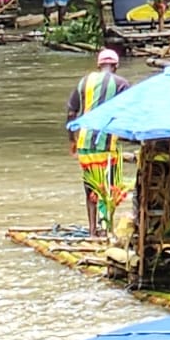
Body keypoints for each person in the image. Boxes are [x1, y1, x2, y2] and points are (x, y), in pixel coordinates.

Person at [67, 48, 129, 238]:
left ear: (98, 65)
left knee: (90, 187)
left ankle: (93, 231)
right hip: (108, 144)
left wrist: (72, 140)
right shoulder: (122, 84)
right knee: (109, 187)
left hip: (85, 143)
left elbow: (71, 112)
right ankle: (106, 228)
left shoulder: (84, 82)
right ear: (116, 66)